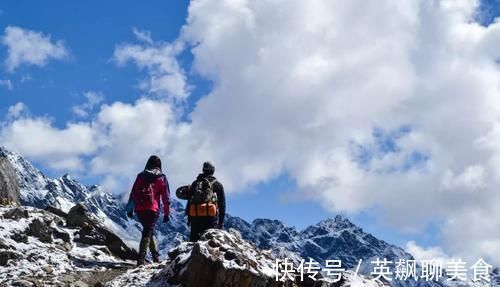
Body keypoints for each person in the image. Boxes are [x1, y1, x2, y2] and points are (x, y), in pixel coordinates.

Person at [126, 155, 170, 266]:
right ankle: (141, 259)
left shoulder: (140, 176)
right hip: (152, 208)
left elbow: (133, 192)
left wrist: (130, 209)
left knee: (149, 230)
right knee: (147, 232)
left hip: (140, 209)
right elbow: (166, 197)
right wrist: (166, 213)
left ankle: (155, 257)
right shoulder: (162, 177)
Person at [186, 161, 226, 242]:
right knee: (209, 242)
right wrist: (221, 222)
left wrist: (189, 218)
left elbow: (190, 200)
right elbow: (222, 204)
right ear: (213, 170)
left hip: (195, 215)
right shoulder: (217, 184)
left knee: (193, 241)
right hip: (210, 216)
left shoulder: (195, 183)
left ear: (203, 170)